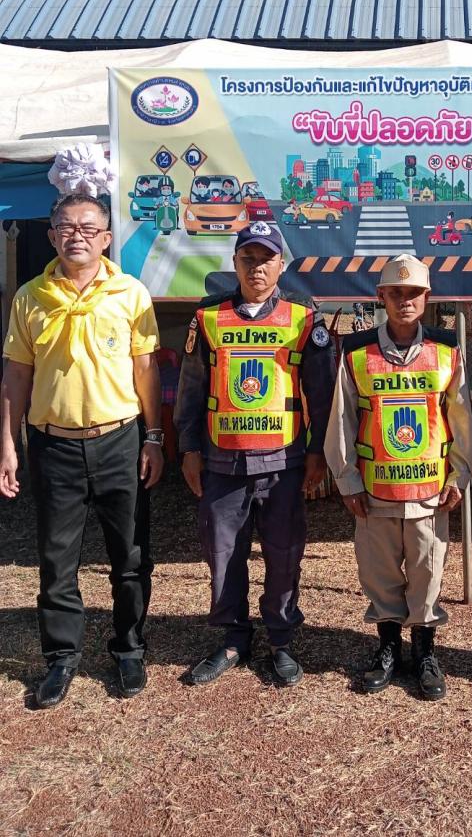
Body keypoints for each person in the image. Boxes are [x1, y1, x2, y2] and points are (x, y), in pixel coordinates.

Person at [0, 192, 163, 708]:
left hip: (120, 440)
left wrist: (154, 438)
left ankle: (129, 648)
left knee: (131, 557)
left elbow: (146, 372)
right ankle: (61, 657)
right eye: (67, 227)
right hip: (54, 446)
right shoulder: (29, 297)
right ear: (51, 236)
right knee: (56, 561)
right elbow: (16, 375)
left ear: (107, 239)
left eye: (89, 228)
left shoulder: (130, 293)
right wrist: (8, 444)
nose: (78, 236)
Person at [174, 221, 335, 687]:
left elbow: (321, 392)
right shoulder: (208, 318)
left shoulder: (303, 318)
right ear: (235, 263)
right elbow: (190, 390)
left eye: (266, 259)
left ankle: (281, 640)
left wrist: (319, 451)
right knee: (223, 553)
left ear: (281, 265)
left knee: (284, 554)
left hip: (283, 462)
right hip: (222, 462)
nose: (257, 268)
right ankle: (233, 639)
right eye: (248, 258)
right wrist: (188, 448)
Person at [325, 254, 472, 701]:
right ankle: (389, 646)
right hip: (375, 491)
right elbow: (341, 418)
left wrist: (459, 474)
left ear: (427, 297)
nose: (404, 300)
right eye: (396, 292)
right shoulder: (357, 352)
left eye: (413, 293)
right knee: (379, 573)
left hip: (429, 490)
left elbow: (461, 418)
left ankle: (425, 650)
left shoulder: (447, 350)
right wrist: (347, 479)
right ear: (381, 296)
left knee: (428, 572)